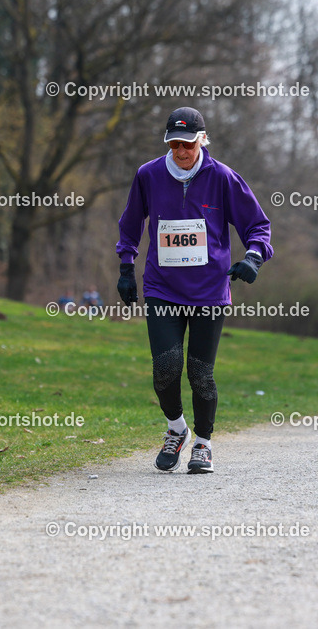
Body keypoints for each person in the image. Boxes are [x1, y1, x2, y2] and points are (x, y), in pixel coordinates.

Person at [116, 107, 272, 474]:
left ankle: (203, 443)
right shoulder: (149, 175)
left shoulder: (223, 178)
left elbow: (258, 227)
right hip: (162, 288)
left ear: (202, 140)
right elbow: (130, 223)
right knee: (165, 368)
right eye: (173, 143)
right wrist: (126, 267)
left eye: (187, 143)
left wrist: (252, 259)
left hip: (209, 291)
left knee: (200, 372)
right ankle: (176, 429)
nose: (180, 151)